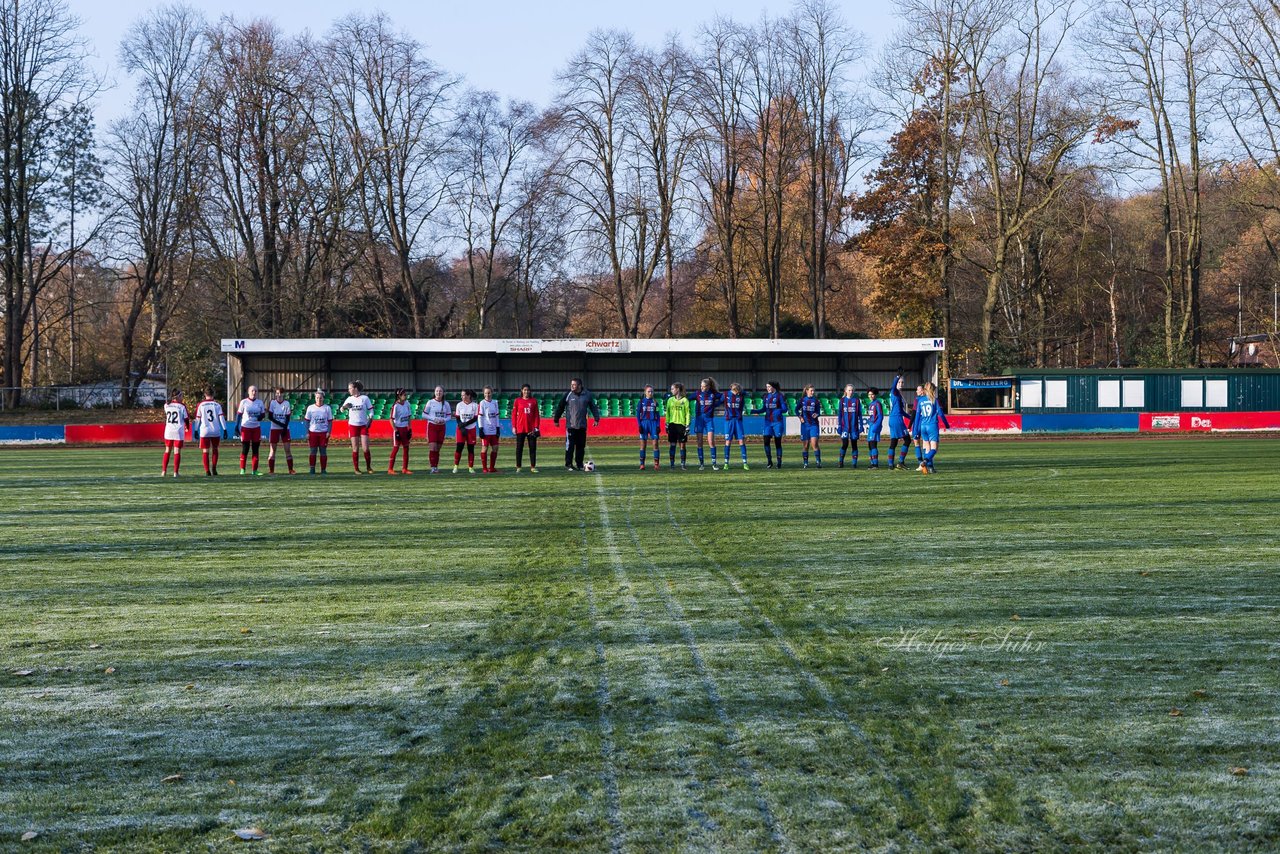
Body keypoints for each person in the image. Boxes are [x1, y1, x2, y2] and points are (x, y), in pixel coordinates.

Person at [553, 378, 601, 471]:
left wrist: (596, 418)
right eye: (571, 384)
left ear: (579, 386)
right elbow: (560, 406)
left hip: (582, 425)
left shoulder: (587, 394)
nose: (572, 386)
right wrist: (556, 419)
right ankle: (568, 464)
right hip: (570, 426)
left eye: (574, 385)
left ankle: (579, 464)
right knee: (569, 446)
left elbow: (593, 407)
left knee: (581, 446)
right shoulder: (568, 394)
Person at [913, 381, 951, 475]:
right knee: (934, 449)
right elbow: (941, 414)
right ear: (933, 390)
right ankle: (925, 461)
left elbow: (917, 417)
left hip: (923, 426)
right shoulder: (934, 400)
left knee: (927, 448)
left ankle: (930, 468)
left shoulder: (920, 401)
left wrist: (915, 431)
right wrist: (946, 424)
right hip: (932, 426)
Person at [340, 380, 373, 474]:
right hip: (353, 425)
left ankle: (368, 467)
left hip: (363, 425)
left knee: (365, 448)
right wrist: (345, 407)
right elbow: (341, 409)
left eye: (350, 388)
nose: (349, 390)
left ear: (355, 388)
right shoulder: (349, 399)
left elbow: (371, 410)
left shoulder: (365, 398)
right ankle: (356, 469)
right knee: (355, 448)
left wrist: (370, 419)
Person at [751, 381, 787, 468]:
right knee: (766, 442)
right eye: (766, 387)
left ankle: (779, 462)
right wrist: (755, 411)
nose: (767, 388)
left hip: (777, 422)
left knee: (777, 443)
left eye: (769, 387)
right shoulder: (766, 396)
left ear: (773, 387)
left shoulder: (779, 396)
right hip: (768, 422)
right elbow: (764, 409)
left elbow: (785, 409)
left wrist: (778, 411)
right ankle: (769, 461)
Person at [194, 388, 227, 476]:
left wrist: (196, 430)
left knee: (205, 451)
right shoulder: (217, 405)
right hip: (215, 430)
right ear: (213, 394)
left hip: (205, 431)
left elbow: (198, 418)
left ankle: (207, 471)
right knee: (215, 449)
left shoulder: (201, 405)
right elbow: (221, 418)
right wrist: (225, 429)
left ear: (205, 394)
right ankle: (214, 468)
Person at [693, 377, 724, 470]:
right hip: (699, 419)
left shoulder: (713, 394)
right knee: (699, 442)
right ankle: (701, 464)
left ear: (708, 386)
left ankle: (714, 464)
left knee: (711, 441)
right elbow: (687, 397)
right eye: (701, 386)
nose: (702, 388)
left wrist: (716, 404)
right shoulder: (698, 393)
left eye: (704, 386)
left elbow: (723, 397)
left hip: (709, 420)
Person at [235, 385, 267, 476]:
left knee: (255, 449)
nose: (254, 392)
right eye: (252, 391)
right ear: (248, 392)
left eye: (256, 391)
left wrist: (259, 417)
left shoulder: (260, 402)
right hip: (246, 427)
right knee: (245, 449)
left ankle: (254, 470)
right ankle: (242, 469)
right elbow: (239, 415)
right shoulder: (244, 402)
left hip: (256, 428)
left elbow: (263, 415)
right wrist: (236, 426)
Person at [510, 384, 540, 473]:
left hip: (531, 429)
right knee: (519, 448)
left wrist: (536, 427)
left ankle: (533, 467)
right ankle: (518, 467)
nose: (526, 391)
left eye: (528, 390)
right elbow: (514, 415)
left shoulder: (534, 401)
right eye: (525, 390)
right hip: (520, 428)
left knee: (532, 448)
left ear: (530, 391)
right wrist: (514, 426)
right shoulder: (517, 401)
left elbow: (536, 416)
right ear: (521, 390)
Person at [887, 371, 913, 471]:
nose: (901, 384)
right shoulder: (894, 391)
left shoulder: (898, 395)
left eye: (902, 382)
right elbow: (893, 385)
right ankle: (900, 462)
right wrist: (897, 376)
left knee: (894, 442)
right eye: (899, 382)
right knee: (907, 440)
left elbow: (901, 411)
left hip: (893, 418)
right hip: (896, 419)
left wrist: (910, 417)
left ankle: (890, 465)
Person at [160, 389, 190, 477]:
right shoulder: (182, 406)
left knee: (167, 450)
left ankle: (164, 471)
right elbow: (186, 419)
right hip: (178, 431)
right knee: (177, 451)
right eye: (181, 396)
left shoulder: (166, 405)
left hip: (168, 431)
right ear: (178, 397)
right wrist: (187, 427)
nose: (182, 397)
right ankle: (175, 473)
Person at [266, 388, 296, 475]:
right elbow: (270, 417)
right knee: (272, 450)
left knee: (287, 449)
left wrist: (284, 427)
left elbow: (287, 417)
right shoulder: (272, 403)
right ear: (276, 394)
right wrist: (280, 424)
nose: (279, 395)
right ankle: (271, 470)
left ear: (283, 394)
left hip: (285, 429)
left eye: (281, 393)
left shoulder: (286, 403)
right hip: (274, 429)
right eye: (278, 393)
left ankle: (290, 470)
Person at [303, 389, 333, 475]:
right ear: (315, 398)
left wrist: (328, 431)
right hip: (313, 433)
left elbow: (330, 421)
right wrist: (307, 432)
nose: (319, 399)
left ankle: (323, 470)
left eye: (320, 398)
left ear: (323, 398)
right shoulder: (310, 408)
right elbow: (307, 421)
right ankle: (312, 469)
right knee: (313, 451)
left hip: (323, 433)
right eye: (317, 398)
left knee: (323, 451)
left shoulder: (327, 408)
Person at [423, 386, 451, 474]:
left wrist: (444, 420)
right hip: (432, 426)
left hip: (442, 427)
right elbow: (423, 415)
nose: (438, 393)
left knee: (438, 449)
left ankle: (436, 467)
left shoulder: (446, 404)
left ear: (443, 393)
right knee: (433, 447)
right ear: (434, 392)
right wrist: (433, 419)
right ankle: (433, 467)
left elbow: (449, 416)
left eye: (440, 391)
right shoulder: (430, 402)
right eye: (437, 391)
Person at [664, 382, 691, 471]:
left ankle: (683, 465)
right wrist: (667, 423)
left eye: (673, 389)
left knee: (682, 446)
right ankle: (672, 465)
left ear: (677, 389)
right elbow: (667, 413)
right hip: (672, 425)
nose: (671, 391)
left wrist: (687, 425)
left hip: (681, 426)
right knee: (672, 445)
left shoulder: (685, 401)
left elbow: (687, 413)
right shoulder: (670, 400)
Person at [722, 382, 749, 470]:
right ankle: (726, 463)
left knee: (741, 441)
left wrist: (742, 391)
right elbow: (719, 402)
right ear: (732, 389)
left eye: (738, 391)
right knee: (728, 442)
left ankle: (745, 463)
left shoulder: (741, 395)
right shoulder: (726, 395)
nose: (737, 393)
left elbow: (747, 394)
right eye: (736, 391)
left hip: (738, 421)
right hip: (729, 421)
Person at [453, 388, 479, 474]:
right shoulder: (459, 405)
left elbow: (475, 418)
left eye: (463, 395)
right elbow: (457, 417)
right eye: (461, 395)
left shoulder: (475, 405)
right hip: (461, 429)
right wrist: (461, 427)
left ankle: (470, 467)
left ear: (469, 395)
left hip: (471, 429)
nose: (462, 397)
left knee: (470, 449)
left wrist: (465, 424)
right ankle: (456, 466)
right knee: (459, 448)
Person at [388, 388, 413, 475]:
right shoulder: (396, 406)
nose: (405, 396)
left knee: (406, 448)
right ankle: (390, 469)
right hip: (398, 429)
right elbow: (391, 420)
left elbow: (409, 417)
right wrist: (396, 431)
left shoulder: (407, 404)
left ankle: (405, 469)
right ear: (399, 396)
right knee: (396, 448)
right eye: (404, 394)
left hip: (405, 429)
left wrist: (410, 429)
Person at [837, 383, 862, 469]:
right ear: (846, 391)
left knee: (854, 445)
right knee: (845, 444)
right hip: (845, 427)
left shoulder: (857, 401)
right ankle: (840, 462)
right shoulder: (842, 401)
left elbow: (860, 414)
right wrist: (839, 426)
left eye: (852, 390)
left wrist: (861, 425)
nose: (851, 392)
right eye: (849, 390)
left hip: (854, 427)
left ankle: (854, 463)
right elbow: (840, 414)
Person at [798, 384, 823, 469]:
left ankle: (818, 461)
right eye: (811, 390)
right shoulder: (802, 400)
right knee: (805, 445)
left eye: (813, 390)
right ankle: (805, 463)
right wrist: (800, 417)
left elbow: (818, 412)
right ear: (807, 391)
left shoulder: (816, 401)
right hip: (804, 425)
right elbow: (796, 409)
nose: (813, 392)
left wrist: (817, 414)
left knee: (814, 444)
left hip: (814, 425)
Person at [637, 385, 661, 470]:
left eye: (652, 391)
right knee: (643, 445)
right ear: (645, 392)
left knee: (655, 444)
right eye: (649, 391)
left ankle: (656, 464)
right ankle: (642, 464)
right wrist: (639, 425)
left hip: (653, 424)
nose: (650, 393)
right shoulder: (641, 402)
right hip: (644, 423)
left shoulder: (656, 403)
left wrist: (658, 425)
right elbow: (637, 415)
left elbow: (658, 415)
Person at [477, 386, 502, 473]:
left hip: (494, 430)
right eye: (486, 393)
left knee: (495, 448)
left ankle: (491, 468)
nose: (487, 394)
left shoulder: (495, 402)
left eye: (489, 393)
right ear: (483, 394)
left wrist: (498, 428)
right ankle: (484, 468)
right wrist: (480, 428)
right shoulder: (482, 403)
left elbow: (497, 416)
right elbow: (480, 417)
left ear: (492, 393)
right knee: (485, 448)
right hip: (486, 430)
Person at [865, 388, 884, 469]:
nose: (870, 396)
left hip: (875, 426)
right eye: (869, 394)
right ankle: (872, 463)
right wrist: (869, 421)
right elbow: (872, 416)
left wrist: (877, 426)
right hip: (871, 426)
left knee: (873, 444)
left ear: (875, 395)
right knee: (869, 445)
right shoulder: (871, 404)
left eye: (872, 394)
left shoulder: (877, 403)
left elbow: (880, 416)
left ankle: (875, 464)